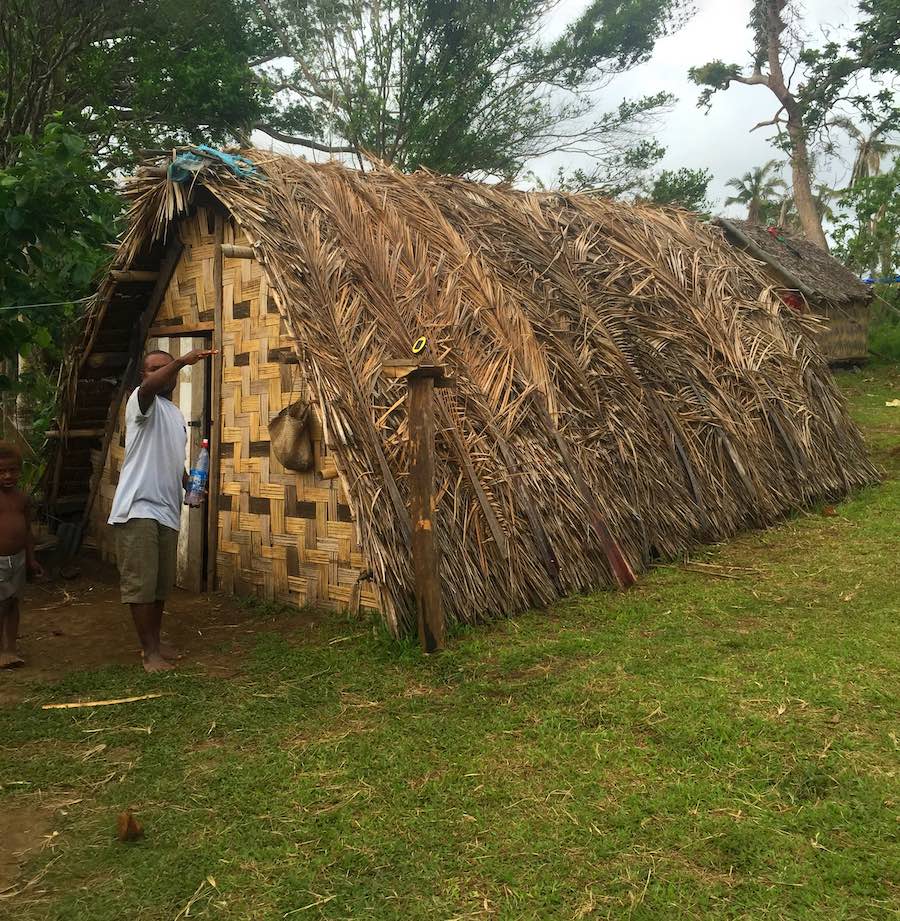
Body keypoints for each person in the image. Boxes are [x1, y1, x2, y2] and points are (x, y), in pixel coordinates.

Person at [108, 348, 215, 672]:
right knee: (141, 585)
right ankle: (148, 652)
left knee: (158, 585)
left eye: (164, 366)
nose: (158, 372)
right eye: (151, 369)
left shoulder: (175, 415)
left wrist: (188, 485)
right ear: (145, 377)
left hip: (167, 510)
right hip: (137, 508)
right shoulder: (140, 403)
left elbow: (174, 460)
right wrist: (181, 361)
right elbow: (151, 387)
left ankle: (156, 642)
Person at [0, 442, 43, 668]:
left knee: (14, 603)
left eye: (12, 470)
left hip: (17, 559)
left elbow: (27, 530)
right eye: (2, 471)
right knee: (1, 604)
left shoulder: (22, 498)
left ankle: (10, 649)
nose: (8, 475)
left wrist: (31, 558)